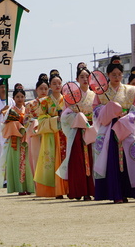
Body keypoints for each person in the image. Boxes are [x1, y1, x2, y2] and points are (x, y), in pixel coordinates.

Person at [92, 55, 135, 203]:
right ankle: (113, 193)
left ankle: (127, 192)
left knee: (129, 159)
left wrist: (126, 117)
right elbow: (95, 110)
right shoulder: (101, 91)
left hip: (125, 126)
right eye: (113, 74)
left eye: (119, 74)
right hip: (108, 129)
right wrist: (108, 111)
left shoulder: (129, 90)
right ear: (108, 75)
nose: (117, 77)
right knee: (110, 159)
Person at [57, 62, 95, 201]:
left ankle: (91, 189)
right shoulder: (71, 96)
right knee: (77, 161)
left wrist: (90, 120)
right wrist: (78, 117)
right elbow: (65, 116)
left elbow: (97, 113)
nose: (85, 79)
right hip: (77, 133)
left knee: (92, 159)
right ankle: (78, 190)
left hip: (91, 131)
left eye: (87, 76)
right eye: (82, 77)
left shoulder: (94, 95)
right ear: (77, 79)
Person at [33, 70, 68, 198]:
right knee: (52, 161)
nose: (57, 86)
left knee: (66, 160)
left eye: (59, 83)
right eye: (54, 83)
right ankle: (54, 190)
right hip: (51, 135)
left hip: (66, 134)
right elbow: (40, 119)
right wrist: (54, 120)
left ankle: (67, 188)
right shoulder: (44, 102)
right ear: (50, 86)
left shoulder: (67, 100)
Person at [2, 85, 35, 195]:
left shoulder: (28, 109)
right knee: (17, 163)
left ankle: (29, 187)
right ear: (14, 98)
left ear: (25, 98)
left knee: (28, 162)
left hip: (27, 139)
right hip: (16, 139)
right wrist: (16, 124)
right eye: (17, 97)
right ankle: (20, 188)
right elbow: (5, 125)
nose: (20, 99)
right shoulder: (10, 111)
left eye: (22, 96)